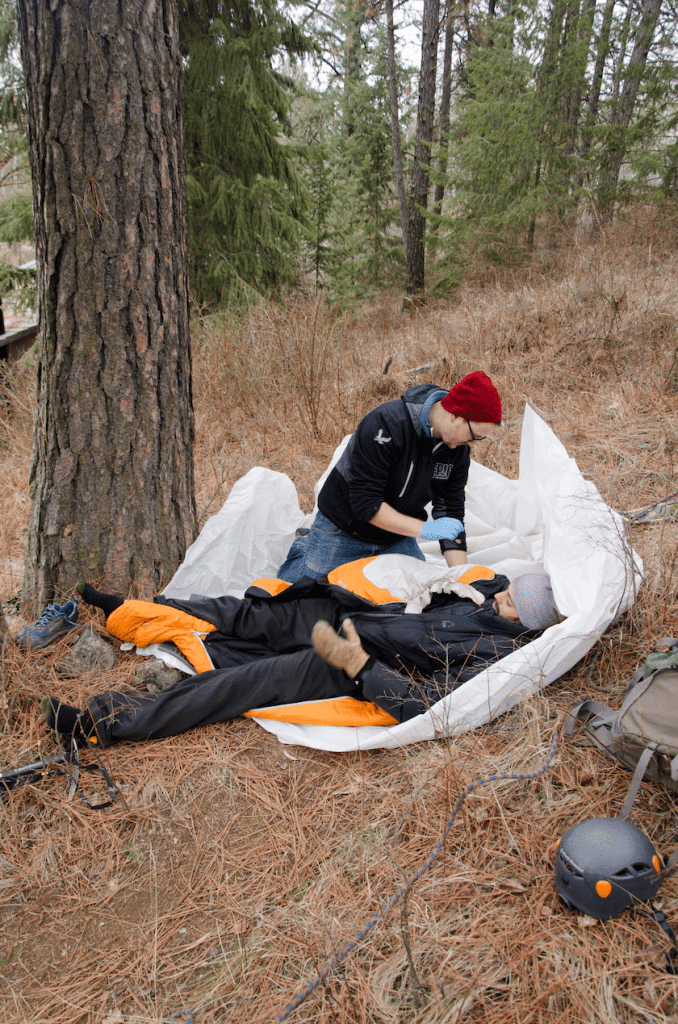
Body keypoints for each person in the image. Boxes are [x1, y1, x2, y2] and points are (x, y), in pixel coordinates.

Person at [40, 568, 560, 748]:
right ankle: (124, 611)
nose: (500, 597)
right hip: (353, 616)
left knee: (239, 683)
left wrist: (359, 666)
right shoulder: (488, 595)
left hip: (349, 662)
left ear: (526, 624)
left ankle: (101, 723)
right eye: (508, 590)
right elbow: (456, 581)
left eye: (511, 603)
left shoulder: (494, 658)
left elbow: (425, 705)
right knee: (248, 614)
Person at [277, 370, 502, 584]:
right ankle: (303, 548)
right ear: (456, 416)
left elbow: (451, 509)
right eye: (475, 436)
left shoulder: (458, 449)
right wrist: (426, 530)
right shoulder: (386, 424)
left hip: (395, 536)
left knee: (413, 590)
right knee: (309, 589)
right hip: (345, 529)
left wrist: (462, 576)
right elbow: (366, 504)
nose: (473, 444)